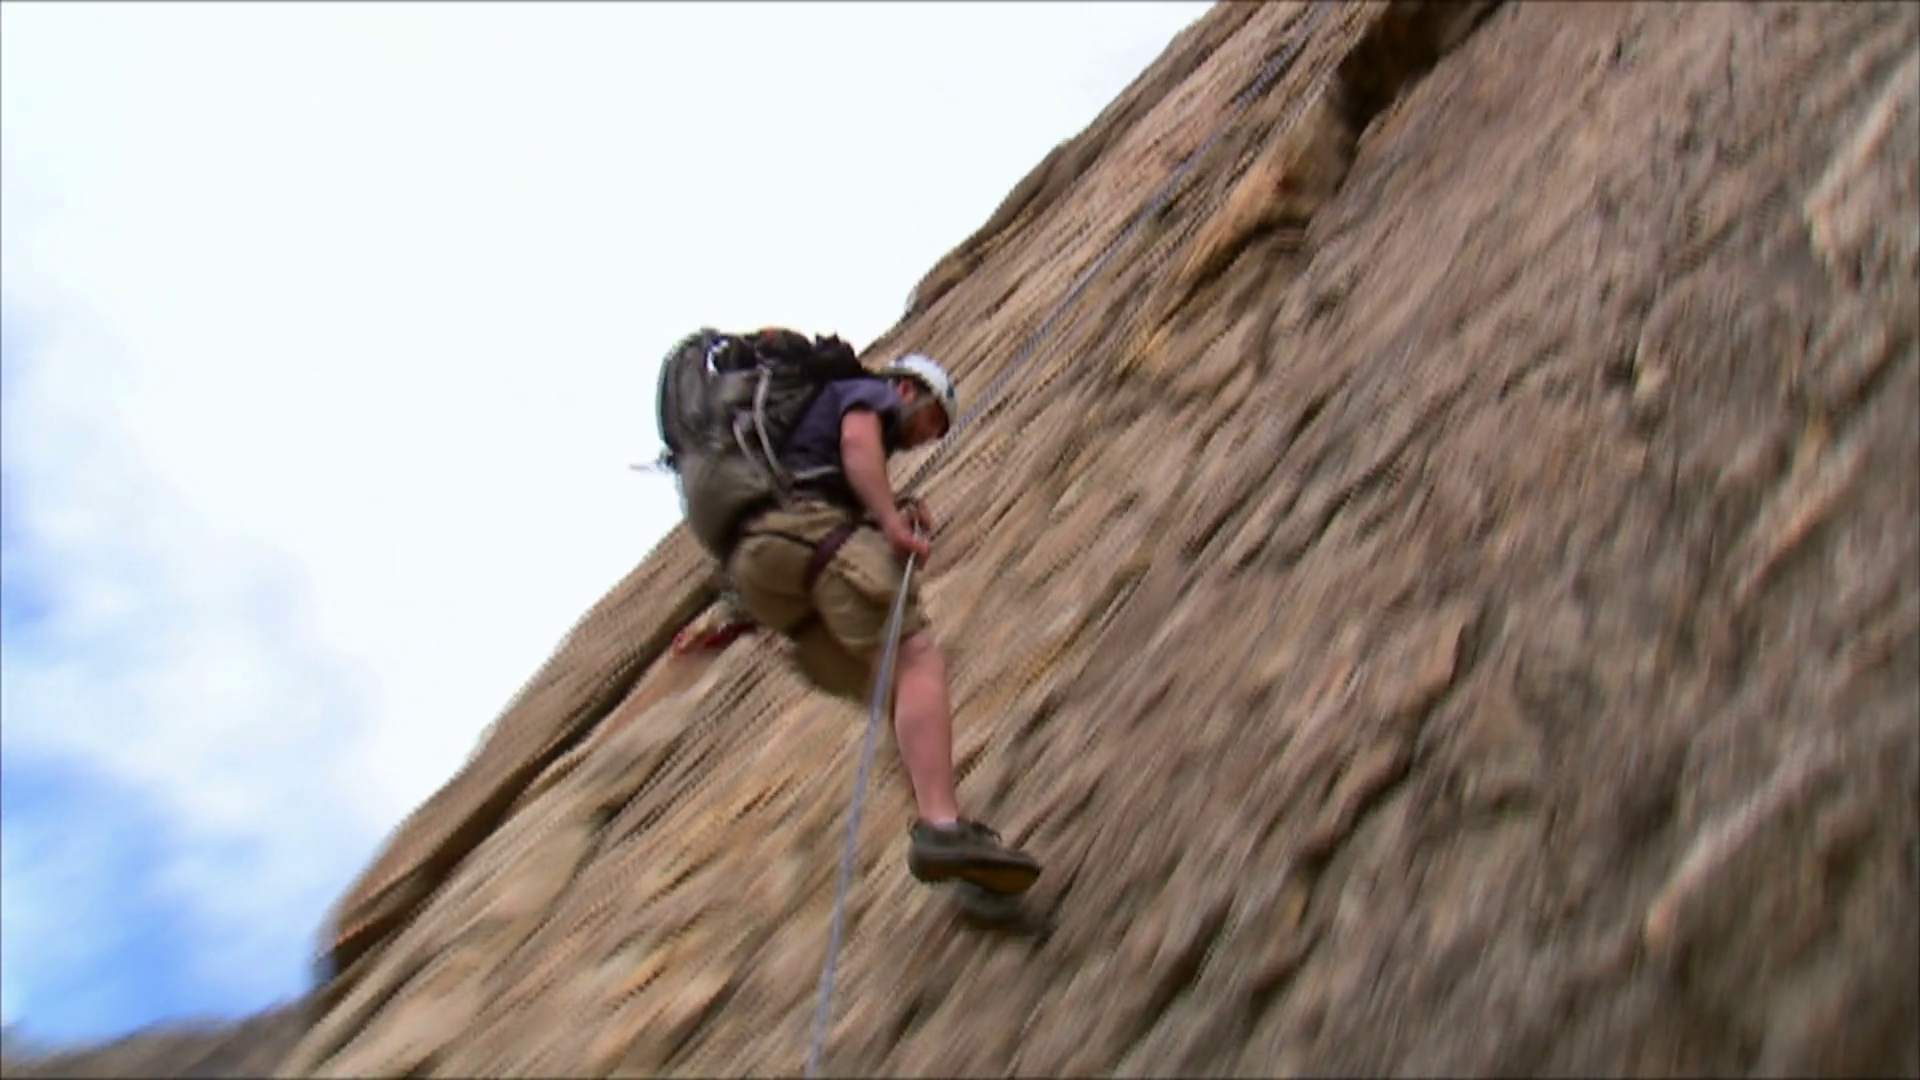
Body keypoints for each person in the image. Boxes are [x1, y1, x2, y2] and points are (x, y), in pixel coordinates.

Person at [725, 352, 1042, 896]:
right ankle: (941, 826)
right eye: (932, 419)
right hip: (806, 536)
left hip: (763, 577)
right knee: (916, 657)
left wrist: (887, 508)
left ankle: (956, 857)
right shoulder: (867, 393)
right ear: (905, 390)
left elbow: (834, 472)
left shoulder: (803, 437)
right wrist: (892, 522)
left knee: (896, 695)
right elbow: (857, 443)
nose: (927, 436)